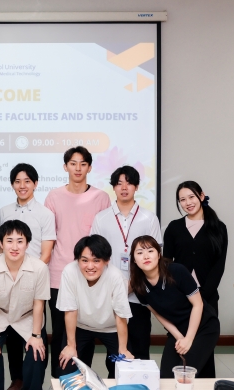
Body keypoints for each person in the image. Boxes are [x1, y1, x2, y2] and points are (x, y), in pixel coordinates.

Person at [44, 146, 110, 377]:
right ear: (66, 167)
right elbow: (48, 236)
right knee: (59, 331)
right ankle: (58, 379)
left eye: (83, 164)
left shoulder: (101, 197)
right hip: (58, 274)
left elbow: (103, 238)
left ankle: (83, 378)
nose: (78, 168)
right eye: (73, 163)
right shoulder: (54, 196)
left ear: (89, 168)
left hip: (90, 274)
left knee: (85, 332)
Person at [90, 166, 162, 361]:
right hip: (110, 294)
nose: (124, 187)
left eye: (129, 183)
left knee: (140, 348)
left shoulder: (149, 218)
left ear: (136, 187)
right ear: (113, 187)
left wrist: (133, 284)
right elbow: (95, 256)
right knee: (114, 353)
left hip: (139, 294)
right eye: (119, 183)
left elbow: (156, 258)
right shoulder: (101, 218)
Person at [0, 220, 50, 390]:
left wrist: (36, 336)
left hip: (27, 317)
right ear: (1, 243)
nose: (14, 247)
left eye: (20, 241)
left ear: (27, 244)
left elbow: (39, 304)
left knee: (36, 354)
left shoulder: (39, 268)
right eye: (9, 241)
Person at [0, 163, 56, 390]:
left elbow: (46, 252)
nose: (22, 186)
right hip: (8, 281)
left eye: (27, 181)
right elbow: (1, 249)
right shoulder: (4, 211)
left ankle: (34, 383)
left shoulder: (45, 214)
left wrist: (31, 277)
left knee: (36, 330)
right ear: (12, 184)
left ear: (35, 184)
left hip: (35, 281)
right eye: (17, 181)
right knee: (12, 331)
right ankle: (17, 379)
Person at [130, 236, 220, 378]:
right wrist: (179, 337)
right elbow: (158, 314)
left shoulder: (176, 271)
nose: (146, 256)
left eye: (150, 251)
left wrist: (188, 339)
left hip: (204, 325)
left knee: (185, 373)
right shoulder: (138, 285)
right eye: (140, 252)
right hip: (178, 329)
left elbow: (198, 304)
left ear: (159, 254)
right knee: (167, 375)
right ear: (134, 260)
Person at [163, 181, 228, 378]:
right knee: (179, 344)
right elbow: (167, 264)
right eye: (182, 199)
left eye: (191, 197)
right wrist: (176, 295)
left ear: (201, 196)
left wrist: (202, 297)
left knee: (204, 349)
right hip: (181, 299)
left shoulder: (218, 227)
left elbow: (219, 266)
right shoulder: (174, 228)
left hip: (207, 298)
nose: (187, 203)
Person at [56, 235, 133, 379]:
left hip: (111, 327)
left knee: (123, 369)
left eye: (96, 260)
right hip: (81, 325)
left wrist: (123, 349)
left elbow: (120, 315)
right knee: (67, 367)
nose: (90, 266)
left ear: (106, 261)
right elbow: (70, 310)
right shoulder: (69, 271)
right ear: (77, 260)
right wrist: (71, 346)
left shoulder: (116, 276)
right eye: (84, 260)